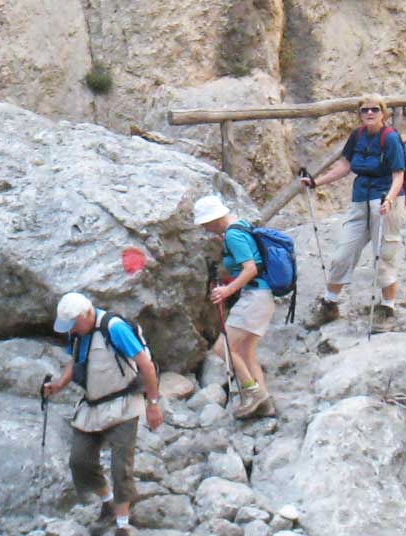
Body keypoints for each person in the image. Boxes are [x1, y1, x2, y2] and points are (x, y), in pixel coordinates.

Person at [45, 292, 163, 536]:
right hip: (92, 405)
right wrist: (59, 384)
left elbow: (146, 364)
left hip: (124, 403)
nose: (73, 330)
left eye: (74, 324)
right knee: (80, 461)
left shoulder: (115, 328)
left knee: (121, 466)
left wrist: (153, 403)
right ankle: (108, 502)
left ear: (87, 314)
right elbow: (74, 361)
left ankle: (122, 525)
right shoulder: (76, 332)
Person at [296, 94, 406, 332]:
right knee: (342, 253)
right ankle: (330, 304)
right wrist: (316, 182)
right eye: (365, 110)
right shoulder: (357, 136)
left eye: (374, 109)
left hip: (386, 201)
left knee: (384, 255)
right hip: (360, 200)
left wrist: (388, 199)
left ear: (383, 113)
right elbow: (345, 166)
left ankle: (388, 308)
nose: (369, 113)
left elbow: (399, 176)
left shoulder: (391, 139)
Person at [191, 195, 277, 419]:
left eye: (206, 223)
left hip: (254, 297)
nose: (206, 229)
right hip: (262, 296)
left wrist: (227, 291)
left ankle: (253, 392)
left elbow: (250, 269)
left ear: (215, 218)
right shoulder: (242, 226)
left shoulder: (233, 235)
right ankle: (266, 404)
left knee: (223, 347)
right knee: (246, 352)